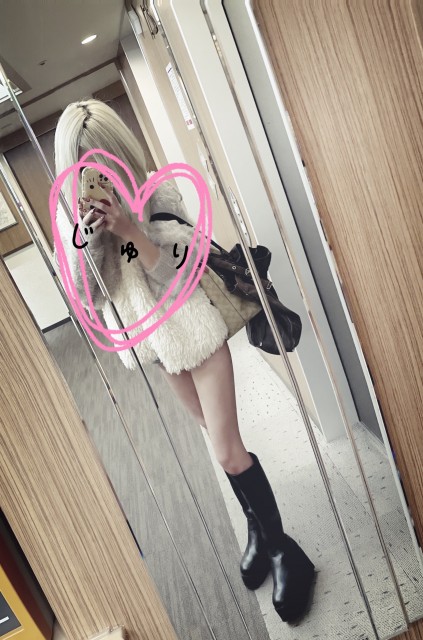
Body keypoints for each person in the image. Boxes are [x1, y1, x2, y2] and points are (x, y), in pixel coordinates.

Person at [54, 98, 315, 623]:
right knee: (217, 443)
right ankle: (259, 529)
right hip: (159, 349)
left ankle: (286, 551)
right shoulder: (76, 227)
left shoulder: (159, 193)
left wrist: (132, 231)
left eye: (103, 160)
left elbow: (181, 272)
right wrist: (92, 241)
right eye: (85, 168)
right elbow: (90, 297)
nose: (98, 178)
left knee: (227, 449)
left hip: (197, 331)